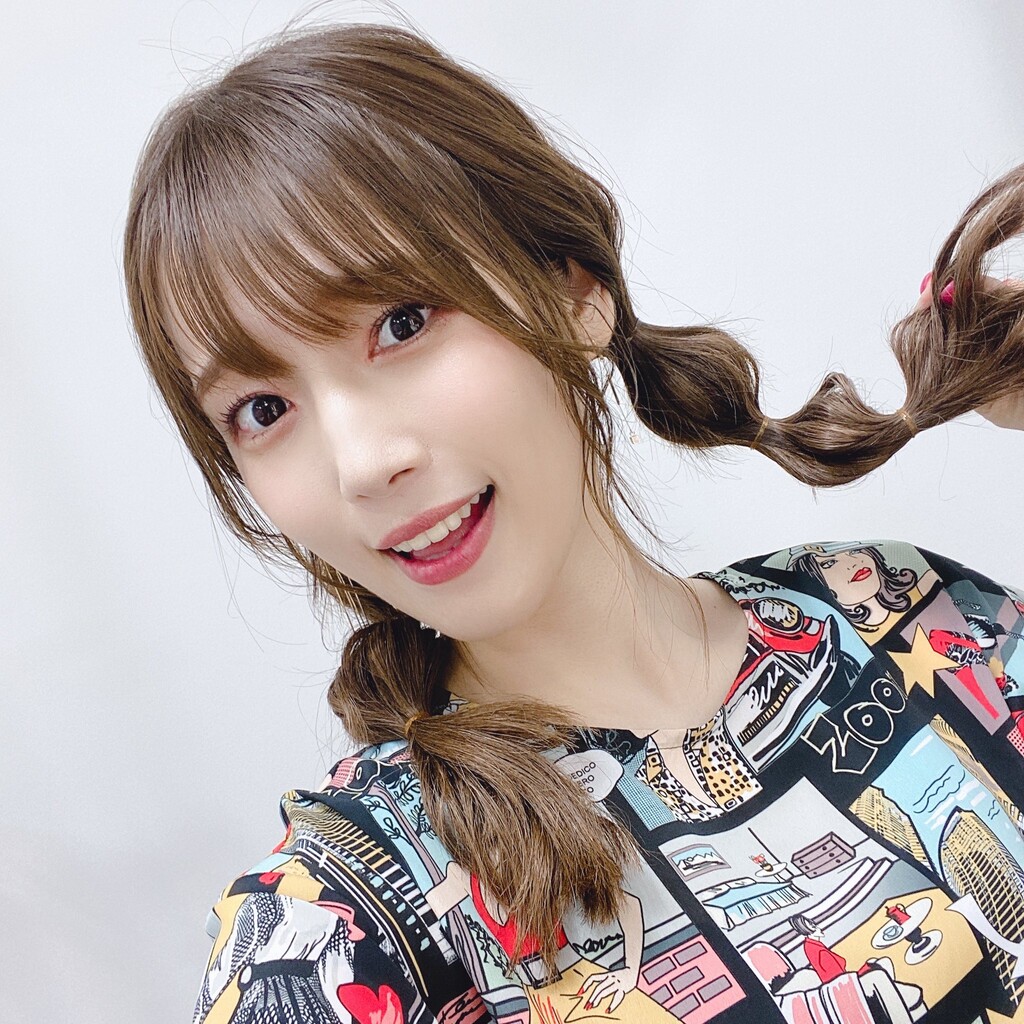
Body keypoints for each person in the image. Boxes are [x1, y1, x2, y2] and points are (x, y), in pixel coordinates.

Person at [122, 19, 1024, 1024]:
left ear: (573, 288)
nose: (363, 464)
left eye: (401, 323)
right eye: (262, 410)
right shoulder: (337, 930)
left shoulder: (903, 612)